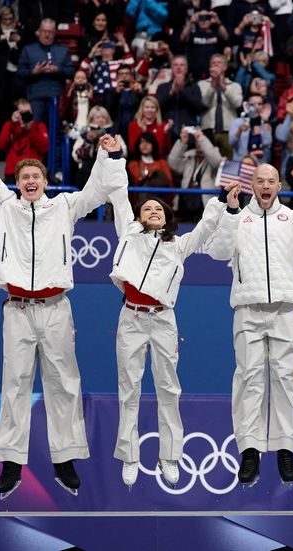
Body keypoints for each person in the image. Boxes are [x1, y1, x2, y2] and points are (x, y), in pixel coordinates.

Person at [0, 112, 114, 499]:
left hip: (56, 308)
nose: (30, 182)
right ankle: (12, 460)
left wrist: (107, 157)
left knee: (64, 383)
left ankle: (65, 459)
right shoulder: (4, 208)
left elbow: (96, 191)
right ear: (17, 183)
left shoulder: (63, 207)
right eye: (24, 177)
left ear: (46, 182)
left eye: (36, 177)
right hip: (18, 309)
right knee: (15, 384)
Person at [108, 163, 240, 489]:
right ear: (138, 218)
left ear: (167, 218)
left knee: (168, 388)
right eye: (147, 209)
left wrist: (221, 200)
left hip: (164, 320)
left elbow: (206, 228)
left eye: (159, 209)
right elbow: (120, 199)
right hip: (132, 318)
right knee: (130, 389)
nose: (152, 211)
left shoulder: (178, 245)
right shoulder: (129, 233)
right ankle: (130, 456)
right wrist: (113, 160)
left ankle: (170, 455)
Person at [205, 165, 293, 487]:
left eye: (271, 181)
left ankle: (285, 448)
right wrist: (230, 213)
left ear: (278, 185)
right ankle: (249, 449)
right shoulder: (238, 218)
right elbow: (218, 253)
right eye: (259, 181)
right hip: (247, 307)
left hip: (286, 308)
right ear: (252, 185)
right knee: (249, 378)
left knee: (287, 379)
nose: (265, 185)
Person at [16, 19, 75, 126]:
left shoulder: (63, 50)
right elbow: (20, 72)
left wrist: (58, 70)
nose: (47, 35)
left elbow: (71, 72)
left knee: (57, 129)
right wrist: (33, 72)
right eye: (44, 31)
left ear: (55, 33)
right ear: (39, 32)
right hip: (35, 96)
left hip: (57, 96)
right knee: (37, 129)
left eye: (50, 32)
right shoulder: (28, 50)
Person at [0, 100, 49, 182]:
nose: (26, 115)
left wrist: (29, 129)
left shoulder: (38, 126)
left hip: (33, 172)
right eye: (23, 113)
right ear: (17, 113)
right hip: (13, 173)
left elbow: (45, 147)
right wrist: (13, 125)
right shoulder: (10, 125)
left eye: (28, 112)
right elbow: (1, 145)